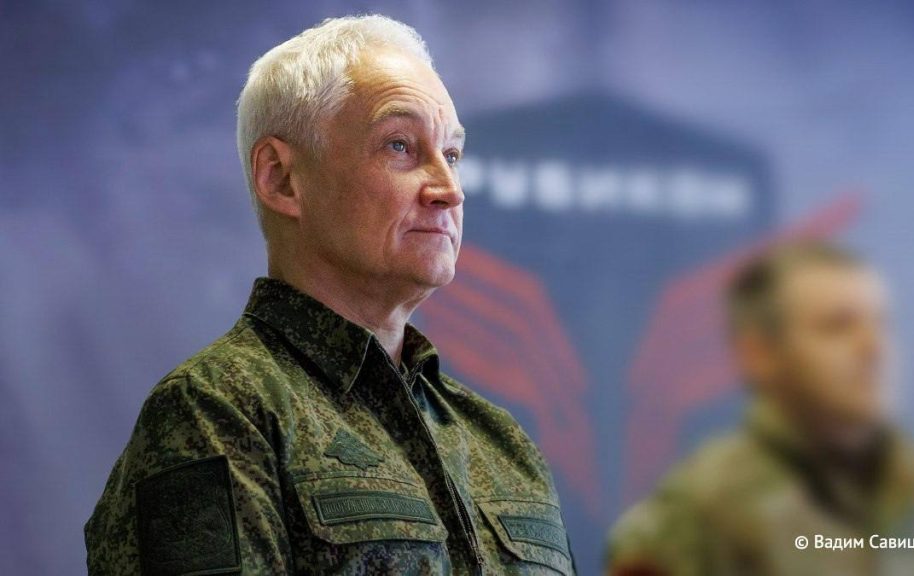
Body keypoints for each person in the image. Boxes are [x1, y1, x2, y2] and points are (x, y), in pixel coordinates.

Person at [85, 15, 573, 575]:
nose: (449, 190)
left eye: (453, 155)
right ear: (281, 179)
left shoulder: (501, 442)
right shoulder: (216, 414)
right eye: (400, 146)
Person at [606, 241, 914, 576]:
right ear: (759, 353)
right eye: (838, 326)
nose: (874, 348)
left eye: (882, 323)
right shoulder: (700, 514)